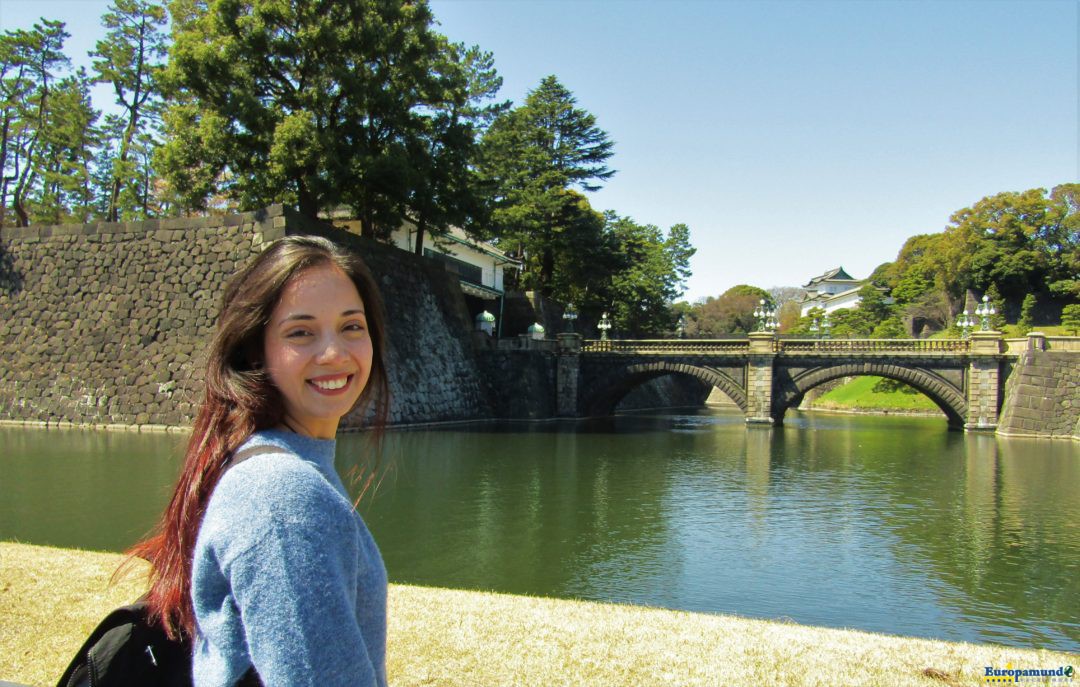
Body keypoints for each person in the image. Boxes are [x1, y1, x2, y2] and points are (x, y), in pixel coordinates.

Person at [127, 235, 391, 686]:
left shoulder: (285, 464)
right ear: (255, 351)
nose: (334, 353)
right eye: (301, 333)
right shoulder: (280, 492)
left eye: (352, 326)